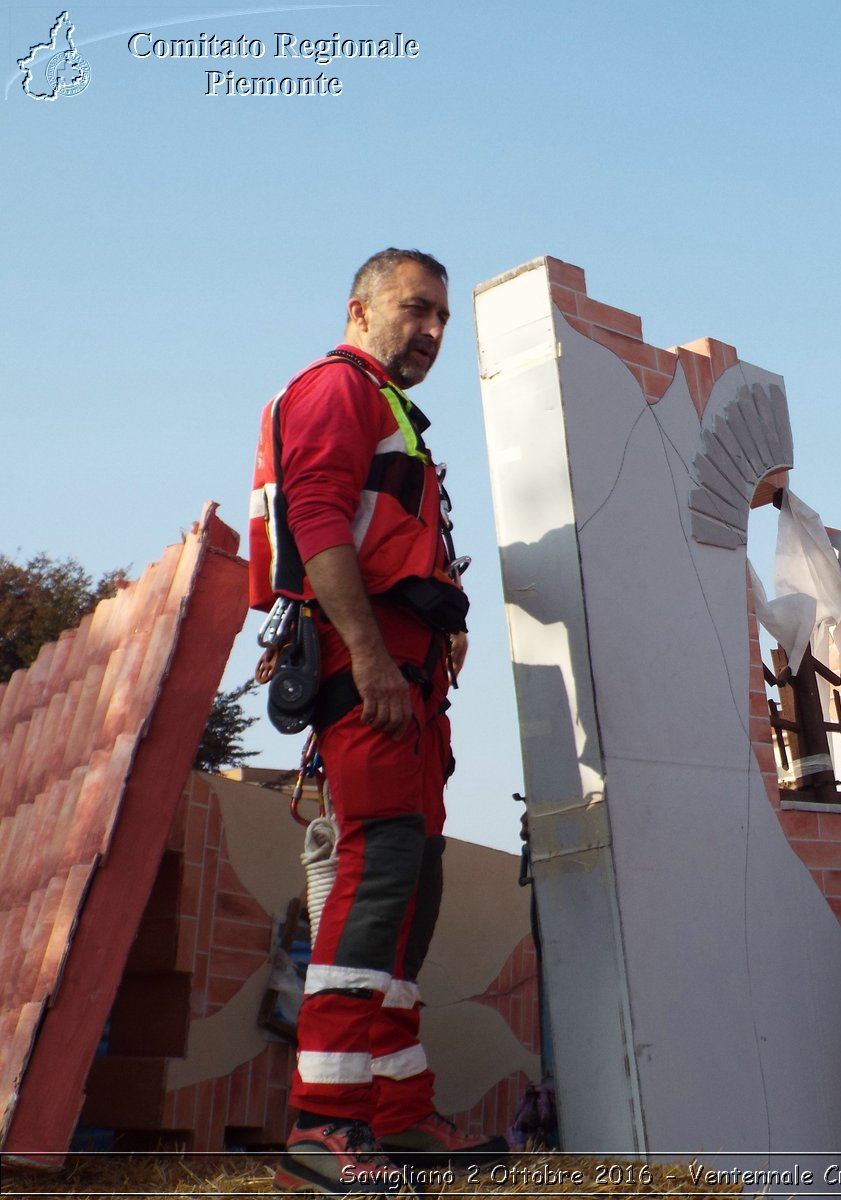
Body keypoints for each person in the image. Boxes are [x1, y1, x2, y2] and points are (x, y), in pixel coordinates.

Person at [248, 249, 504, 1193]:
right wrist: (364, 654)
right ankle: (324, 1127)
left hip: (410, 683)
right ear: (359, 307)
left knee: (412, 885)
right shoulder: (335, 390)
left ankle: (396, 1117)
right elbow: (316, 524)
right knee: (376, 871)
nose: (432, 331)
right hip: (375, 678)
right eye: (416, 309)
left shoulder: (390, 409)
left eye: (443, 318)